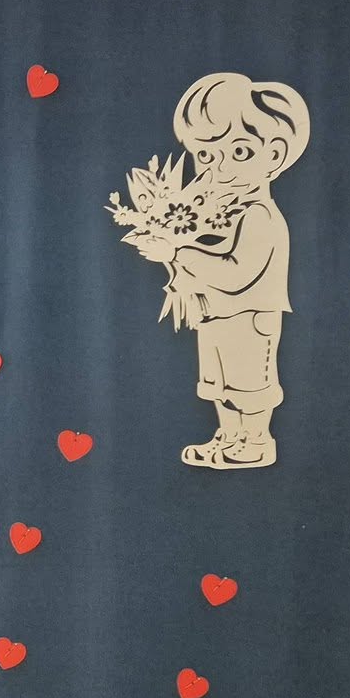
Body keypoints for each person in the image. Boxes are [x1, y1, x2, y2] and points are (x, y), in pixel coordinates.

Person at [128, 74, 308, 470]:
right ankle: (228, 437)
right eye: (206, 156)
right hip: (215, 314)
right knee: (218, 382)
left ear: (274, 155)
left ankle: (256, 440)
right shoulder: (221, 210)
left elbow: (236, 274)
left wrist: (179, 251)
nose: (220, 167)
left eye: (239, 151)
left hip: (249, 317)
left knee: (249, 381)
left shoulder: (260, 215)